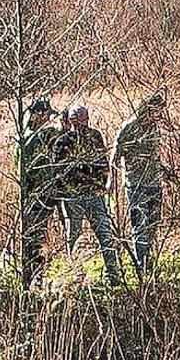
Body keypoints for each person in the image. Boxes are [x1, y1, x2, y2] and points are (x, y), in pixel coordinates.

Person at [55, 104, 121, 286]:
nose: (81, 123)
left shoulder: (95, 136)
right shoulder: (62, 141)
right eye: (77, 119)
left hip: (93, 194)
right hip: (74, 196)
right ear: (70, 121)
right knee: (73, 236)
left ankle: (113, 275)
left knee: (105, 235)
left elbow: (102, 163)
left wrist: (102, 184)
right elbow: (59, 172)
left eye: (83, 119)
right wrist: (65, 194)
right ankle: (75, 276)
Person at [112, 93, 167, 274]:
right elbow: (115, 157)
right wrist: (111, 182)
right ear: (148, 109)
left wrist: (166, 172)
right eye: (157, 110)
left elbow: (155, 157)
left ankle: (148, 261)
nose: (159, 114)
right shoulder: (129, 127)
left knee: (153, 224)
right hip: (135, 185)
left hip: (154, 184)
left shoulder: (154, 130)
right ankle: (140, 265)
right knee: (139, 224)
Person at [19, 98, 61, 288]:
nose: (47, 119)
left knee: (33, 235)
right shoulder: (38, 136)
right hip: (40, 194)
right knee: (36, 237)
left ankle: (32, 276)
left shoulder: (24, 136)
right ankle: (35, 277)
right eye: (46, 115)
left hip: (31, 193)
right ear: (39, 114)